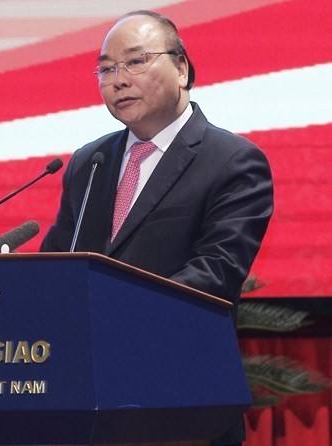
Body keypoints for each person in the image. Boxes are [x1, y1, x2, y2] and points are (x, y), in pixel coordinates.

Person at [40, 10, 274, 446]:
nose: (118, 79)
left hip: (178, 406)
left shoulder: (232, 161)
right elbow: (57, 265)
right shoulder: (89, 162)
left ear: (181, 68)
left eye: (135, 61)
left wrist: (111, 321)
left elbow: (215, 275)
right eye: (106, 68)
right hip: (85, 409)